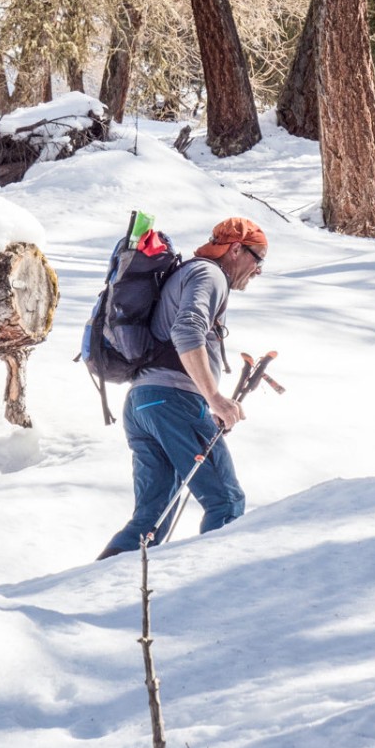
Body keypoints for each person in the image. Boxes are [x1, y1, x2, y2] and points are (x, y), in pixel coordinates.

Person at [97, 217, 268, 560]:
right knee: (226, 501)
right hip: (174, 401)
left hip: (143, 403)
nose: (259, 270)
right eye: (258, 258)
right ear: (236, 249)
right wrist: (214, 398)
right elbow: (187, 330)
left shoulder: (186, 273)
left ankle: (93, 589)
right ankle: (214, 592)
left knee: (150, 520)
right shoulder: (210, 274)